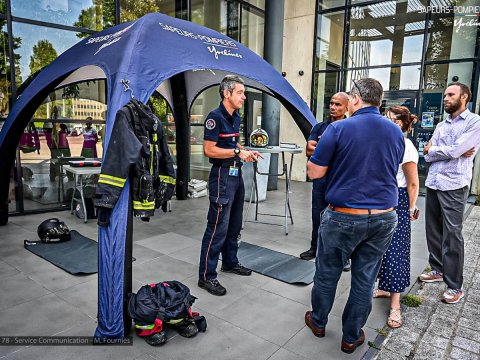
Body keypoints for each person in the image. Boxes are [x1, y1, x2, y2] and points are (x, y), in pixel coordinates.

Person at [304, 78, 404, 354]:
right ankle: (351, 336)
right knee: (365, 277)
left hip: (344, 216)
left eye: (348, 99)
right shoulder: (396, 132)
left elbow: (314, 172)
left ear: (356, 99)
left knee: (327, 272)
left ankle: (319, 321)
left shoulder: (338, 128)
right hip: (384, 217)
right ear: (379, 101)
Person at [198, 75, 262, 296]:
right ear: (227, 93)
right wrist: (236, 152)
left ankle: (230, 262)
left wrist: (245, 151)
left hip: (236, 175)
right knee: (217, 227)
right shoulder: (214, 117)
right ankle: (206, 276)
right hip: (222, 177)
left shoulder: (235, 117)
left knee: (234, 224)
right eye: (240, 93)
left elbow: (233, 142)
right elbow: (209, 150)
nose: (244, 97)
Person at [419, 82, 480, 304]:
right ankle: (437, 269)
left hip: (454, 184)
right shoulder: (442, 124)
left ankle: (455, 285)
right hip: (434, 182)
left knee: (452, 234)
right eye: (445, 95)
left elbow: (454, 150)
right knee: (433, 229)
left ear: (464, 97)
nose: (445, 98)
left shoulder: (474, 122)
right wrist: (442, 151)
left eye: (450, 95)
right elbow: (426, 154)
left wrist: (435, 149)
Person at [374, 106, 419, 328]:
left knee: (396, 251)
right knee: (380, 248)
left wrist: (410, 208)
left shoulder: (406, 145)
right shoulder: (384, 141)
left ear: (400, 123)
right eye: (384, 117)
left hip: (399, 199)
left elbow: (412, 183)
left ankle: (395, 306)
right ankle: (384, 287)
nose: (385, 121)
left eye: (390, 119)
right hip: (381, 198)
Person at [300, 92, 352, 272]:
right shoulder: (320, 126)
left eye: (338, 104)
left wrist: (324, 148)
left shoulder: (349, 128)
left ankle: (343, 256)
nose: (333, 107)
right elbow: (309, 149)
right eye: (331, 103)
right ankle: (315, 248)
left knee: (341, 219)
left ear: (346, 107)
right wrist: (331, 148)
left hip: (340, 182)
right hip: (320, 181)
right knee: (318, 215)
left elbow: (347, 153)